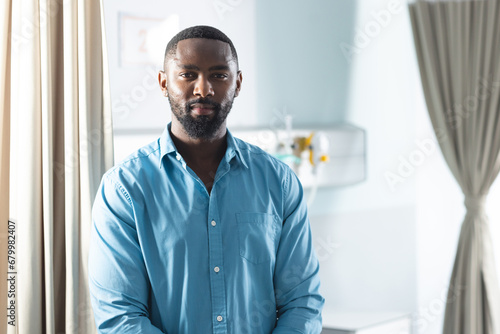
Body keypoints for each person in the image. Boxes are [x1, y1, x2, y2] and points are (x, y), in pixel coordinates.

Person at [89, 25, 324, 334]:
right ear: (163, 83)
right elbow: (121, 316)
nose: (204, 89)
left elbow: (302, 302)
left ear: (237, 83)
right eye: (188, 75)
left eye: (219, 75)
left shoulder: (278, 183)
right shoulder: (124, 189)